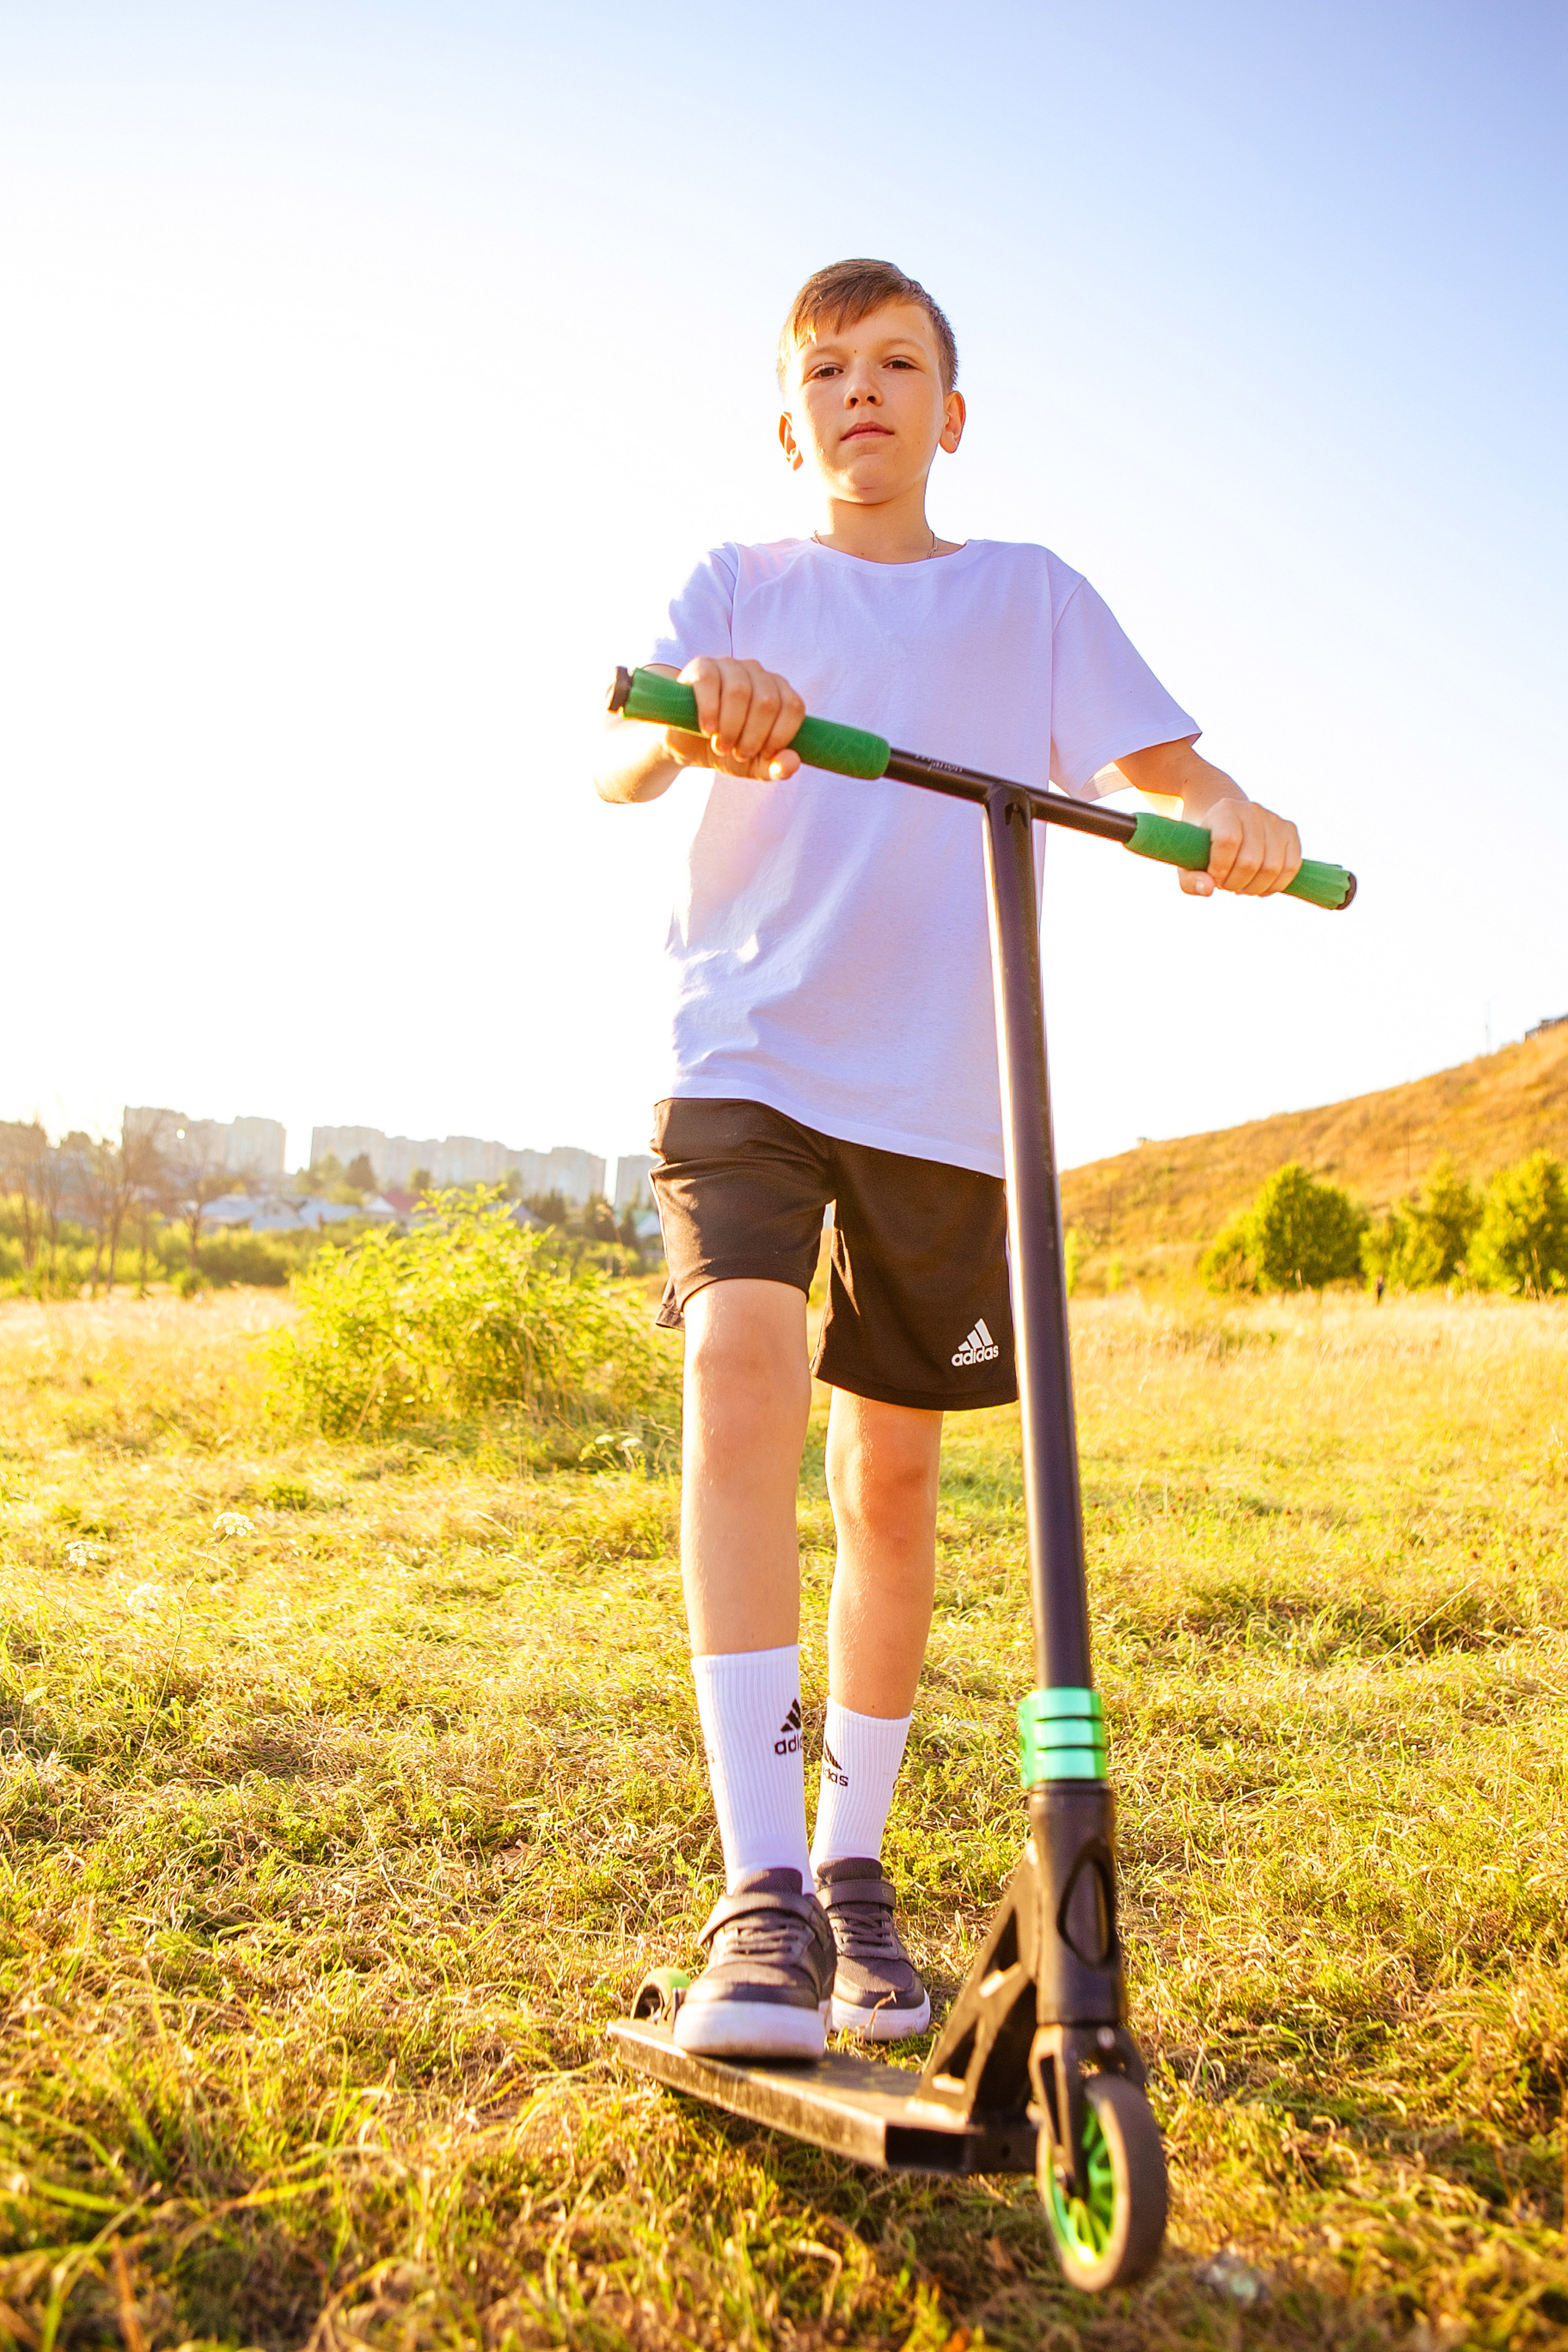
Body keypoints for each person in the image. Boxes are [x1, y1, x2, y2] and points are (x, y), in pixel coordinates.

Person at [593, 258, 1302, 2060]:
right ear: (788, 420)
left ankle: (848, 1874)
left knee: (893, 1486)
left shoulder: (1031, 599)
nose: (862, 392)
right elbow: (620, 751)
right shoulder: (740, 586)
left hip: (947, 1092)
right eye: (825, 369)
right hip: (745, 1054)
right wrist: (698, 708)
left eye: (897, 363)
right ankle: (757, 1900)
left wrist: (1237, 829)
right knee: (742, 1367)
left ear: (949, 413)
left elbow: (1179, 776)